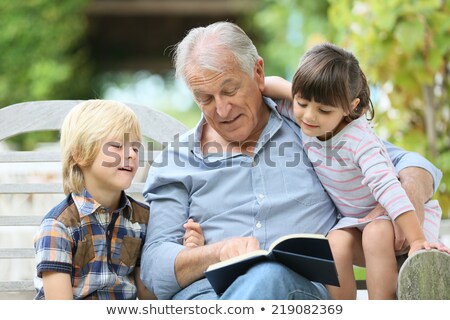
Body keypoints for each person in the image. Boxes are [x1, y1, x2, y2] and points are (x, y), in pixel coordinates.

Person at [140, 21, 443, 300]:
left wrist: (407, 205)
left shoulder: (312, 127)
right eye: (204, 98)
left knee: (268, 275)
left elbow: (413, 165)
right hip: (208, 298)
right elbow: (155, 268)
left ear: (258, 74)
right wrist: (217, 253)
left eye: (230, 90)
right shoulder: (178, 159)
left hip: (299, 295)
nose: (221, 109)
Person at [263, 43, 449, 299]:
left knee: (375, 233)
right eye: (302, 103)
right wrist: (276, 88)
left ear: (351, 106)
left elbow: (387, 186)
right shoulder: (306, 116)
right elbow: (270, 86)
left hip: (393, 217)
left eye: (323, 110)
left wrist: (416, 239)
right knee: (334, 244)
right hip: (353, 220)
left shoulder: (359, 141)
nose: (309, 116)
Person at [33, 100, 203, 299]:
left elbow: (149, 297)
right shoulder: (59, 227)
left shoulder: (142, 220)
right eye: (116, 146)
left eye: (136, 148)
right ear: (79, 153)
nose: (131, 154)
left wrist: (189, 255)